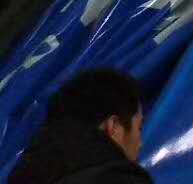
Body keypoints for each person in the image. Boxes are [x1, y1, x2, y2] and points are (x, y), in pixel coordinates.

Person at [9, 68, 151, 183]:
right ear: (114, 126)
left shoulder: (22, 175)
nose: (140, 144)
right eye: (139, 128)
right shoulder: (120, 179)